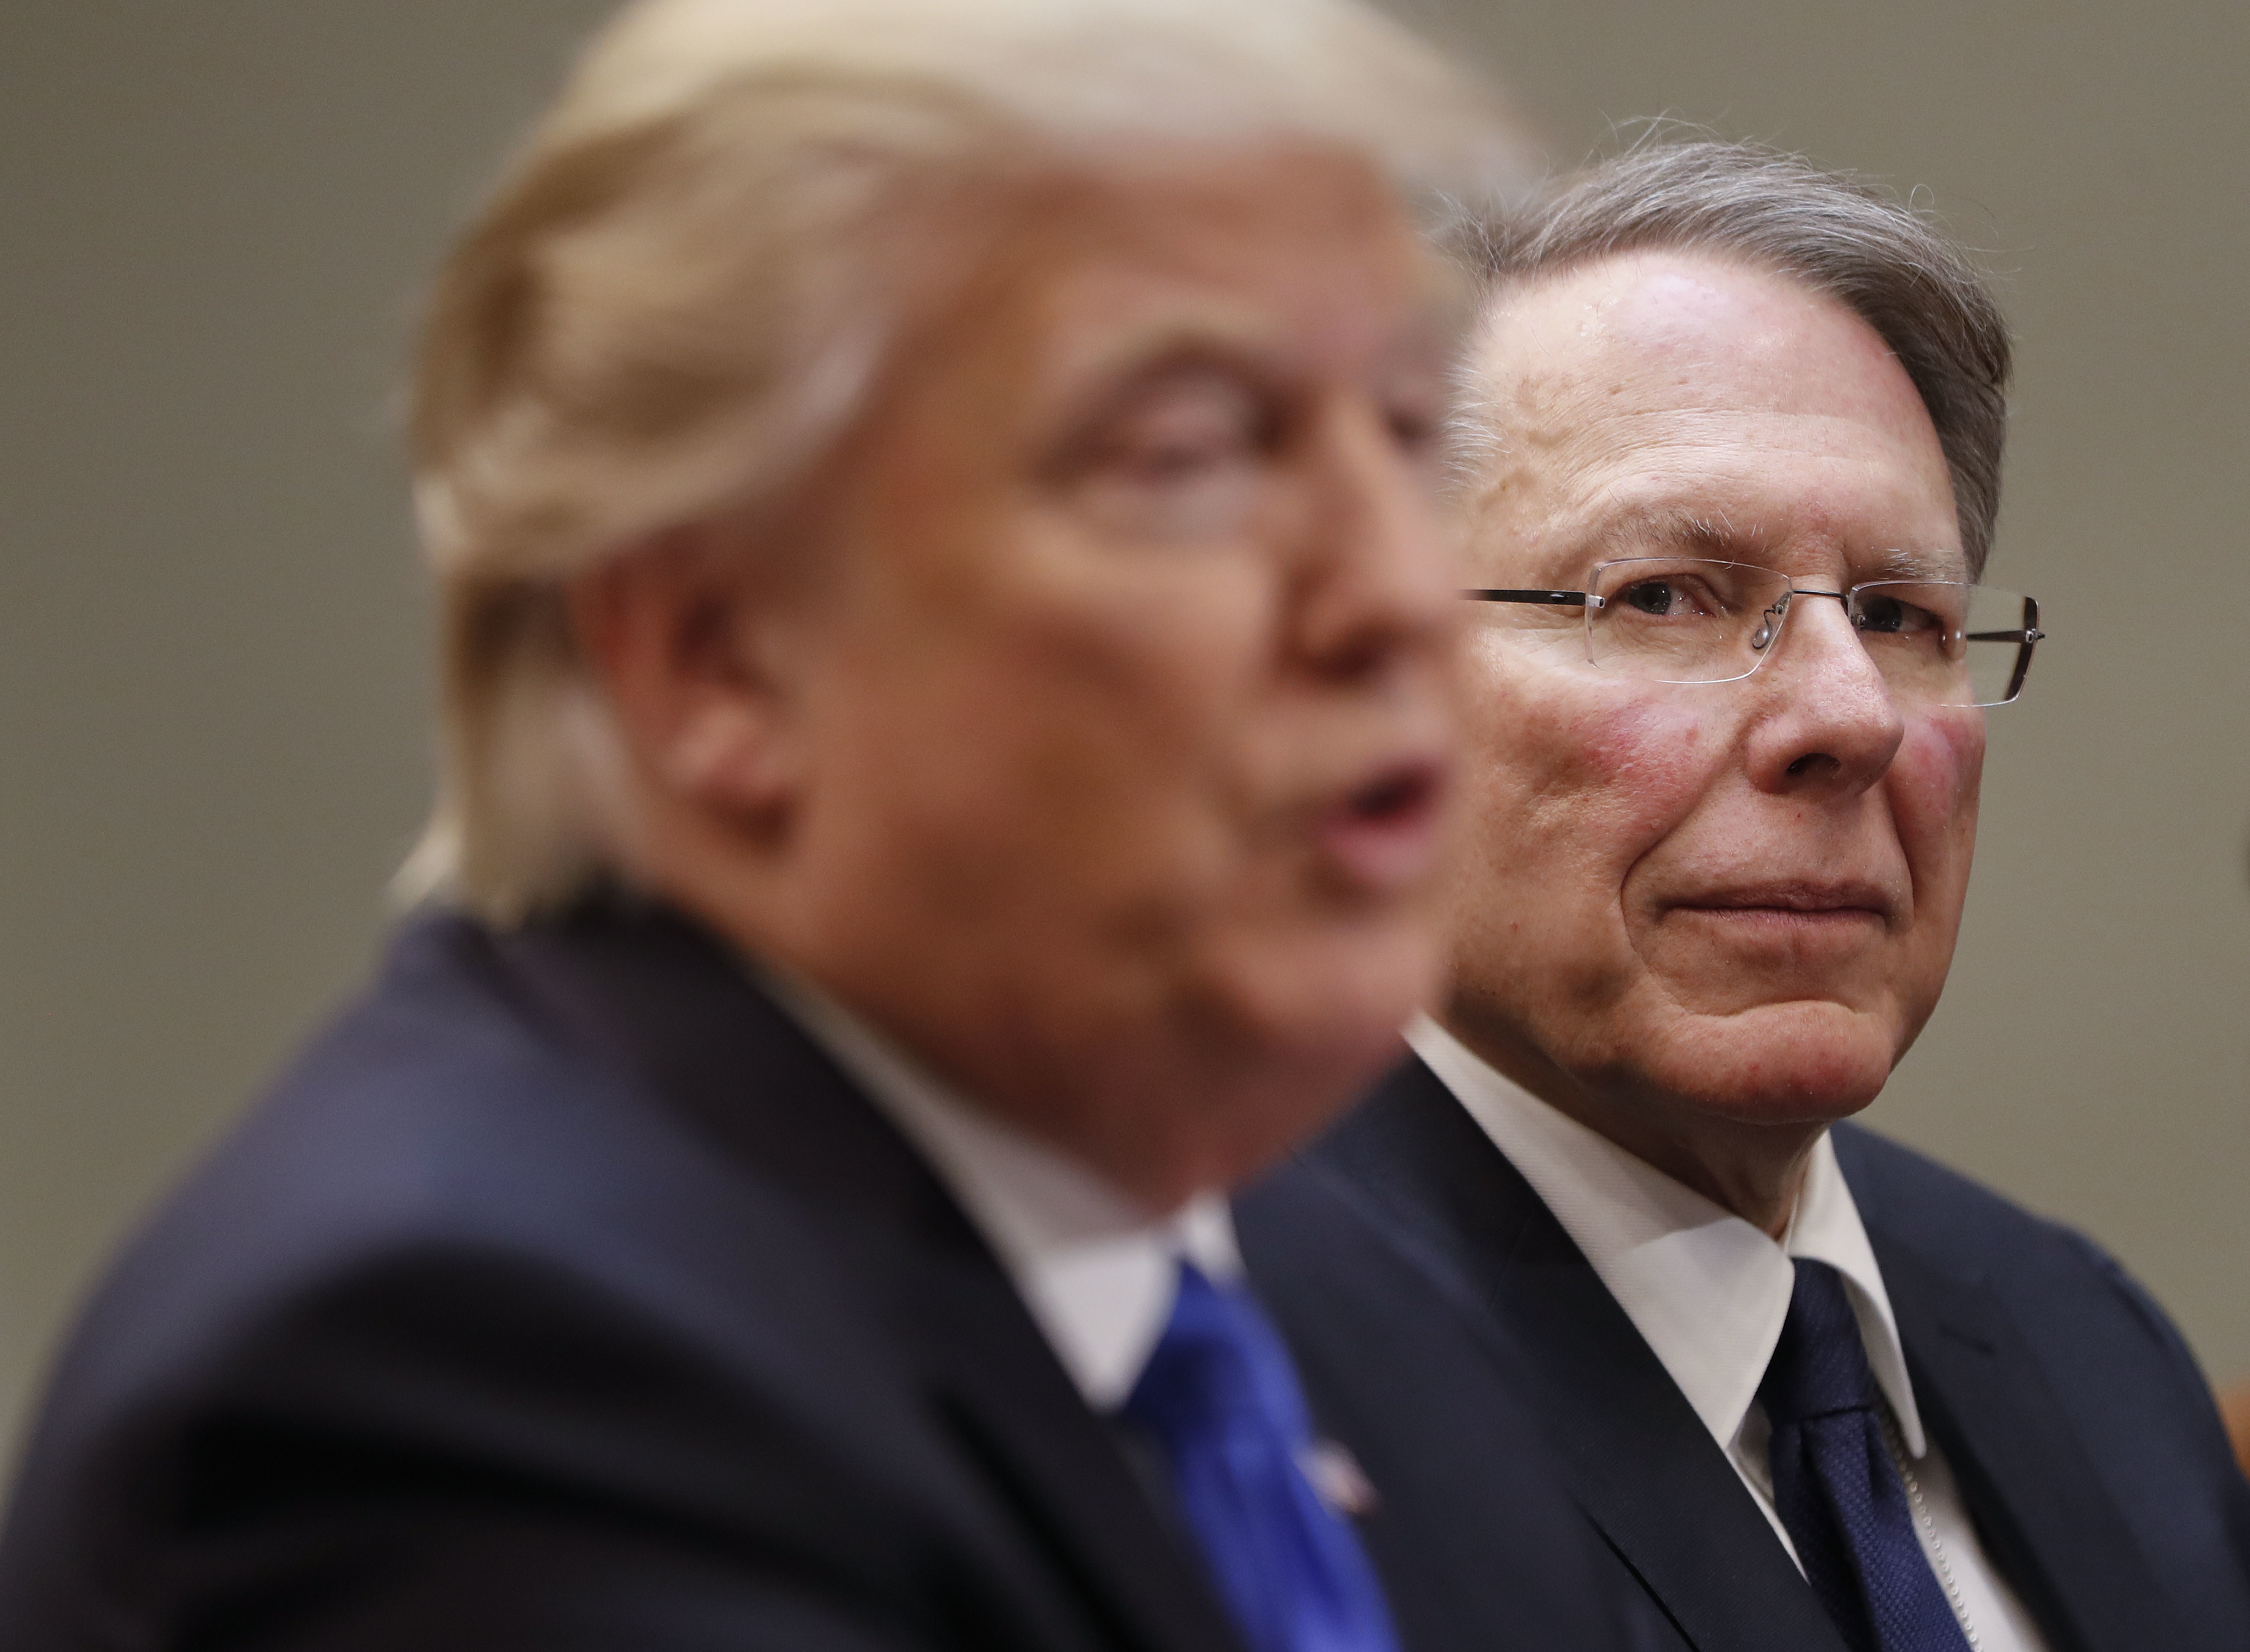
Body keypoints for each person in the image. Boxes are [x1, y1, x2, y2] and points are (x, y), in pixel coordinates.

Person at [0, 3, 1628, 1648]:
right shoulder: (466, 1380)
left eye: (1407, 434)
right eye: (1191, 451)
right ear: (716, 658)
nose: (1402, 593)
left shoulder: (1340, 1309)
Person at [1261, 140, 2250, 1652]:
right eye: (1663, 596)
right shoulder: (1202, 1377)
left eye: (1901, 614)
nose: (1849, 714)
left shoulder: (2077, 1337)